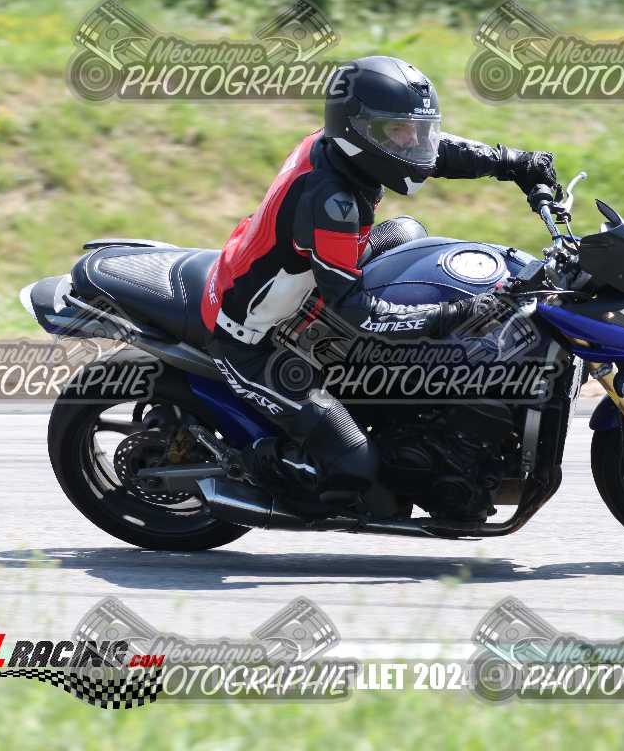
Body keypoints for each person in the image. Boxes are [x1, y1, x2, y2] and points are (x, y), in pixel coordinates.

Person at [200, 55, 560, 516]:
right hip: (254, 340)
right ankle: (258, 470)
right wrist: (458, 314)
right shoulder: (332, 202)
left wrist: (511, 162)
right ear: (360, 131)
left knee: (408, 232)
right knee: (354, 466)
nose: (414, 143)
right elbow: (358, 312)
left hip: (305, 287)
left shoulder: (340, 147)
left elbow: (434, 154)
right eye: (398, 131)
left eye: (418, 129)